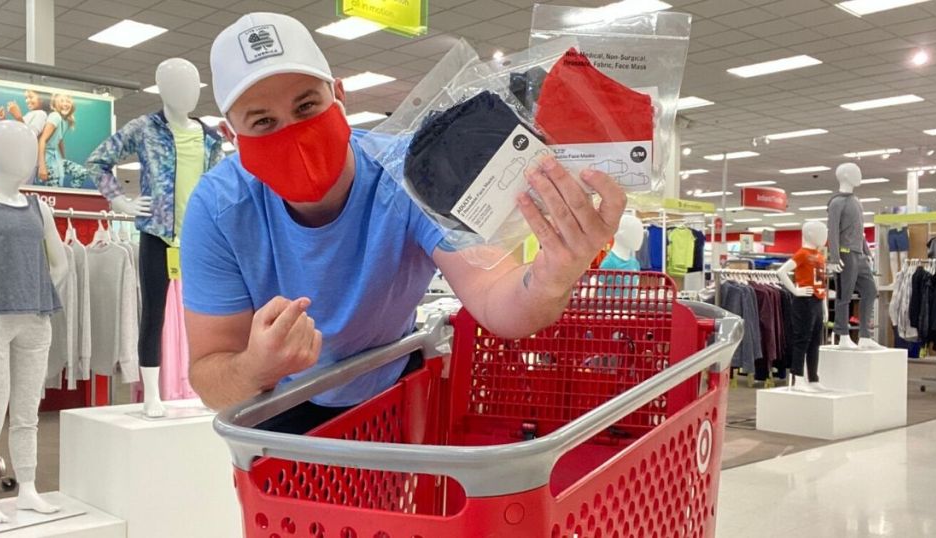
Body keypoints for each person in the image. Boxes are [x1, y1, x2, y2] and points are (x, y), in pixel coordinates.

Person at [181, 13, 626, 433]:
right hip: (279, 408)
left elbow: (496, 299)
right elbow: (209, 375)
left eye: (306, 105)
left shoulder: (408, 172)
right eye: (263, 122)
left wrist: (552, 277)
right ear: (230, 134)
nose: (293, 133)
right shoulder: (219, 208)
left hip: (393, 393)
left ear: (339, 96)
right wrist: (256, 367)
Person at [36, 94, 89, 189]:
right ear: (55, 104)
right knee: (55, 187)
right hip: (46, 159)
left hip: (56, 158)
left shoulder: (66, 121)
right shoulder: (55, 116)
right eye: (62, 101)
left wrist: (63, 159)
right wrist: (42, 166)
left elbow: (60, 140)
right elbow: (42, 140)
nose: (65, 104)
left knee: (81, 172)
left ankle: (71, 196)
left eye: (68, 101)